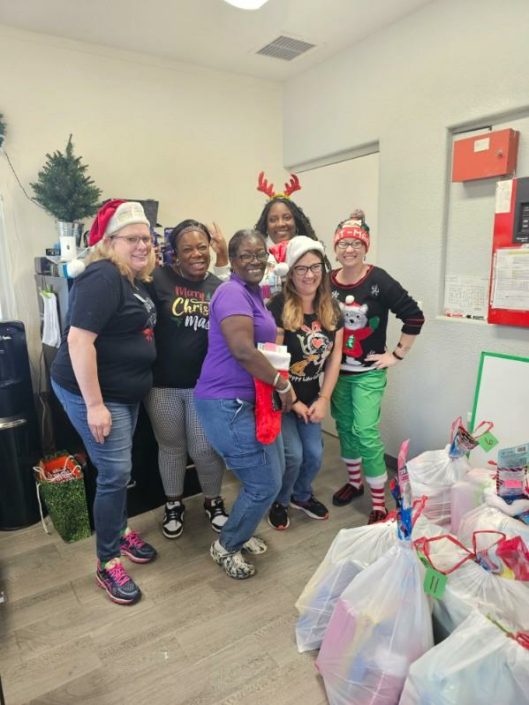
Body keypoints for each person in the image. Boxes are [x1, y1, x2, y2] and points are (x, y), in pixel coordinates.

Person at [51, 200, 158, 605]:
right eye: (132, 238)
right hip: (93, 393)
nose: (142, 245)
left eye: (146, 238)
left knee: (117, 467)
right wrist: (95, 406)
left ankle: (118, 530)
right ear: (108, 242)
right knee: (114, 472)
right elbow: (79, 342)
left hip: (121, 391)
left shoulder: (131, 278)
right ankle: (107, 560)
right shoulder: (103, 277)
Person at [195, 229, 296, 580]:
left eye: (260, 255)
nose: (254, 261)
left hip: (251, 400)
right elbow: (242, 350)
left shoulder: (253, 293)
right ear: (233, 261)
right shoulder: (231, 293)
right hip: (226, 403)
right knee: (263, 483)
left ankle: (241, 527)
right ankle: (226, 545)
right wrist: (282, 383)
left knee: (273, 474)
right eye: (246, 255)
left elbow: (263, 340)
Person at [330, 210, 425, 524]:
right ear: (335, 247)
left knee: (366, 433)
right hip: (336, 374)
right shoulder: (327, 282)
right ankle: (355, 483)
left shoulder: (378, 279)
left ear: (365, 247)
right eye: (343, 243)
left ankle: (379, 503)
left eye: (356, 243)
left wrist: (396, 355)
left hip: (368, 373)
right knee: (345, 428)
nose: (349, 249)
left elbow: (413, 316)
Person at [144, 219, 230, 540]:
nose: (196, 254)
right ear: (175, 255)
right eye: (187, 249)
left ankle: (213, 500)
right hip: (161, 385)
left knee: (205, 449)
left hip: (203, 387)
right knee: (171, 447)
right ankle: (173, 504)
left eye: (202, 247)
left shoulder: (217, 285)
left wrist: (223, 258)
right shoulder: (159, 278)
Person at [267, 236, 344, 530]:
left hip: (312, 397)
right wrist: (293, 401)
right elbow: (272, 361)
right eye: (301, 268)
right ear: (290, 273)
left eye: (314, 267)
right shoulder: (277, 307)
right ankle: (281, 500)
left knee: (314, 454)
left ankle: (302, 495)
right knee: (293, 455)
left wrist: (323, 399)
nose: (309, 275)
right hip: (283, 398)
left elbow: (335, 357)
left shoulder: (332, 309)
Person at [254, 171, 319, 300]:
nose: (280, 224)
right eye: (273, 219)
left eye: (287, 217)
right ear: (266, 225)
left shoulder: (311, 255)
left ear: (296, 221)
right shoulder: (260, 260)